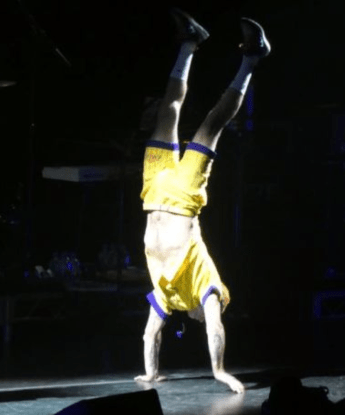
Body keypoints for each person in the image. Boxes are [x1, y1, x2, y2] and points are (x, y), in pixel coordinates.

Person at [134, 8, 270, 393]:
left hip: (155, 191)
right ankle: (252, 59)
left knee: (167, 110)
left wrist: (151, 373)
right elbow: (215, 326)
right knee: (212, 122)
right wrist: (219, 371)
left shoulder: (167, 297)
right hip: (183, 197)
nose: (207, 313)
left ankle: (190, 43)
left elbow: (150, 335)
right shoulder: (208, 287)